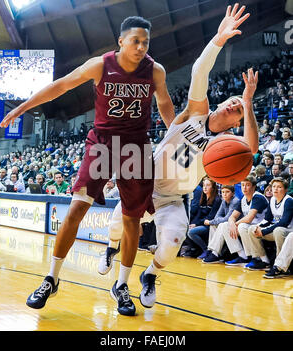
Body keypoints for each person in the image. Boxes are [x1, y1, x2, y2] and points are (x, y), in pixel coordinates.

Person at [0, 16, 175, 312]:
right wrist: (21, 107)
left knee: (132, 220)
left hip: (137, 146)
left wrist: (177, 139)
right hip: (103, 143)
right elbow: (60, 86)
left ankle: (121, 286)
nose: (142, 47)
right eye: (136, 41)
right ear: (121, 41)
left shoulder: (155, 70)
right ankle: (51, 279)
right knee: (77, 208)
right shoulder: (101, 65)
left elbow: (166, 105)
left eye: (146, 42)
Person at [99, 4, 259, 313]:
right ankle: (110, 248)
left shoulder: (227, 144)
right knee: (116, 226)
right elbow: (200, 70)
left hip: (173, 197)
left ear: (238, 120)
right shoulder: (196, 112)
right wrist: (219, 39)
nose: (233, 106)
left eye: (238, 109)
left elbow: (251, 149)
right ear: (221, 102)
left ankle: (149, 275)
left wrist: (249, 102)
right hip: (145, 185)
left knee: (172, 241)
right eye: (232, 101)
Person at [203, 175, 268, 265]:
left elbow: (249, 218)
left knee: (241, 226)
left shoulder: (258, 197)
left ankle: (255, 257)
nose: (244, 188)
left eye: (247, 185)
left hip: (261, 226)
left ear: (253, 187)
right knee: (224, 225)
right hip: (249, 226)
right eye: (242, 185)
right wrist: (232, 223)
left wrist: (235, 224)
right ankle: (240, 255)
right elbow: (231, 217)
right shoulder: (243, 199)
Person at [247, 177, 293, 269]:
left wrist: (264, 231)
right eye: (274, 186)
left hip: (288, 231)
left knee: (278, 230)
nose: (275, 189)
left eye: (279, 187)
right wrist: (258, 227)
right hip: (275, 230)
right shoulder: (272, 200)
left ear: (285, 190)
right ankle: (264, 260)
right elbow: (267, 219)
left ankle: (279, 264)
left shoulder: (289, 201)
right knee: (252, 229)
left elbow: (284, 222)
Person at [180, 177, 221, 259]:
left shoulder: (217, 200)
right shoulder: (203, 198)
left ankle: (206, 250)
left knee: (191, 232)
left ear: (213, 187)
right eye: (204, 185)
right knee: (184, 229)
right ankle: (195, 249)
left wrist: (196, 224)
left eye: (208, 185)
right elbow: (199, 215)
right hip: (202, 223)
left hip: (209, 225)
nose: (205, 187)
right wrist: (193, 224)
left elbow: (210, 217)